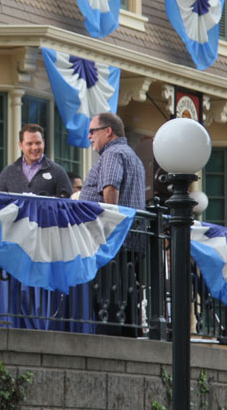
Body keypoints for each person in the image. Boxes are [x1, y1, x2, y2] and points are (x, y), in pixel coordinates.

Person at [79, 112, 145, 336]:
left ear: (108, 131)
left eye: (92, 132)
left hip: (112, 241)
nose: (89, 137)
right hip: (130, 241)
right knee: (124, 294)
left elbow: (110, 187)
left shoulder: (112, 153)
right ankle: (127, 333)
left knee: (108, 297)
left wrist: (108, 225)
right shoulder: (133, 156)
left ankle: (110, 336)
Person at [0, 124, 72, 197]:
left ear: (43, 143)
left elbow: (68, 204)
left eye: (38, 143)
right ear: (21, 145)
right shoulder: (8, 172)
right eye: (29, 144)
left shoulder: (57, 172)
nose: (34, 148)